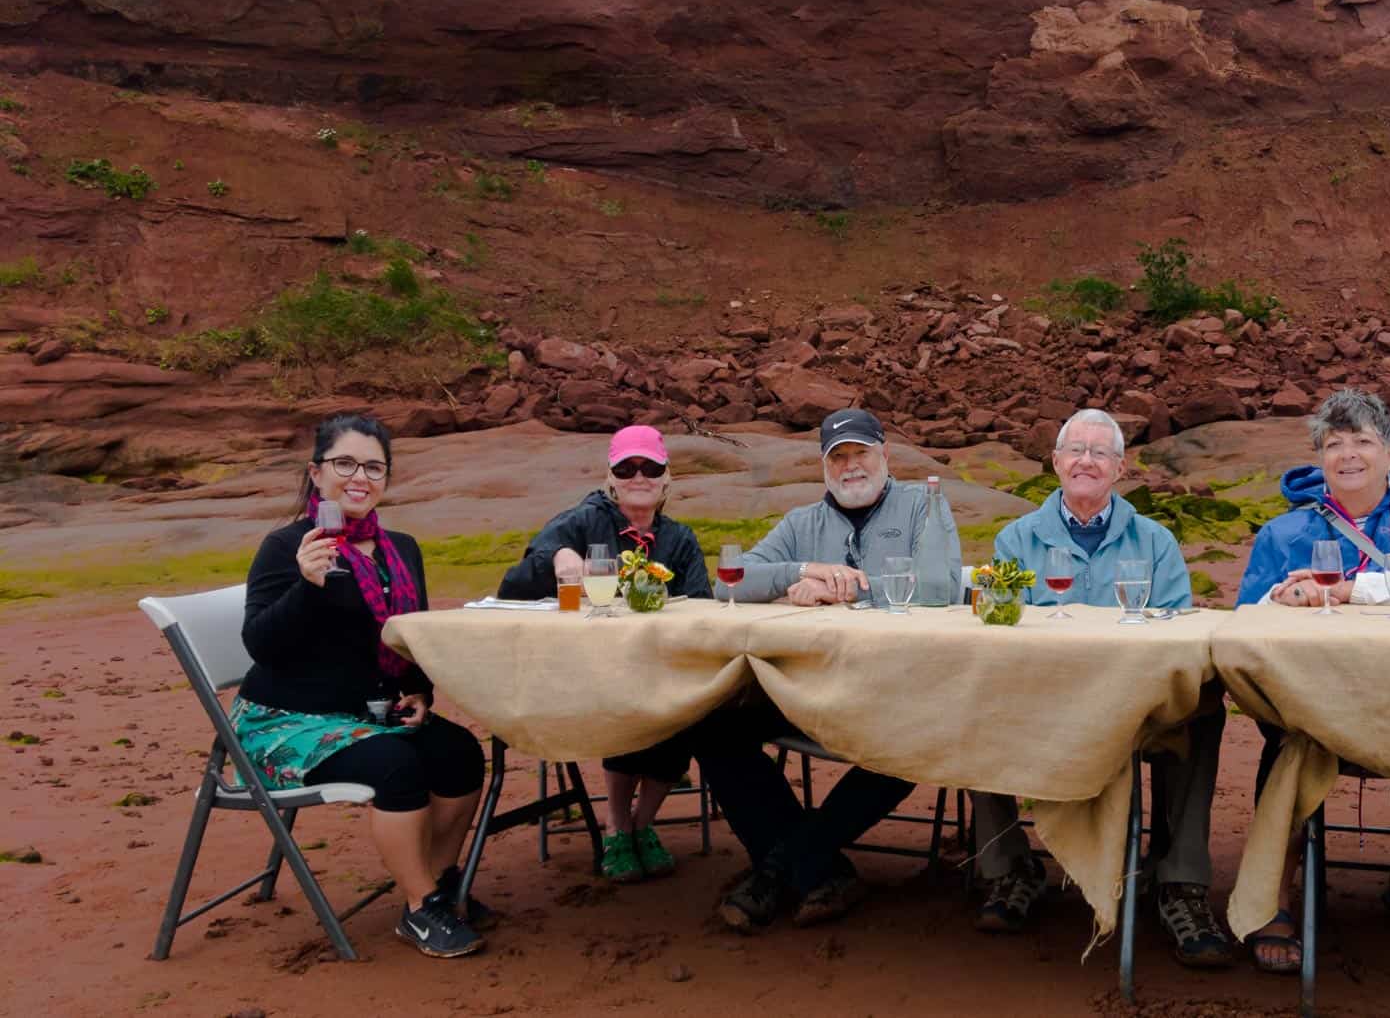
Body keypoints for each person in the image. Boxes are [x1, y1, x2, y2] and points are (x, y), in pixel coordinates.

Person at [972, 408, 1233, 968]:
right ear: (1057, 462)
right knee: (977, 706)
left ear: (1119, 469)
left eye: (1100, 453)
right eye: (1076, 450)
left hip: (1137, 706)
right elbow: (998, 627)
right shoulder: (1015, 539)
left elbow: (1176, 630)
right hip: (1041, 704)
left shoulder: (1156, 540)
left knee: (1203, 712)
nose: (1086, 461)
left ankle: (1178, 883)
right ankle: (1009, 869)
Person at [1237, 388, 1390, 971]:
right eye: (1334, 443)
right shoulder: (1285, 531)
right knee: (1285, 742)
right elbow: (1244, 623)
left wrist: (1345, 590)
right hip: (1313, 704)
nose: (1348, 454)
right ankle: (1278, 893)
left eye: (1363, 441)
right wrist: (1280, 596)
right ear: (1320, 457)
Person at [695, 407, 961, 932]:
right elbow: (728, 582)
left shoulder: (922, 508)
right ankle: (821, 868)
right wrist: (803, 571)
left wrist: (849, 589)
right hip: (804, 694)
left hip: (893, 695)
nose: (850, 466)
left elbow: (942, 590)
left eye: (860, 453)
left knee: (907, 746)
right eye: (837, 457)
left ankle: (779, 868)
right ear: (824, 467)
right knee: (713, 728)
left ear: (885, 455)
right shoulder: (801, 524)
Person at [238, 413, 489, 959]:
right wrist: (306, 587)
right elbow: (261, 644)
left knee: (461, 754)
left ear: (387, 477)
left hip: (366, 710)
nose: (359, 477)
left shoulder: (402, 548)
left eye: (374, 466)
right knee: (398, 768)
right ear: (316, 472)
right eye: (344, 463)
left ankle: (436, 884)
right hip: (288, 720)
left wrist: (420, 690)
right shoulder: (287, 547)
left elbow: (409, 633)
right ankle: (423, 909)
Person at [499, 424, 711, 883]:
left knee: (688, 707)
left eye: (650, 467)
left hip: (663, 668)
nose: (639, 476)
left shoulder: (679, 539)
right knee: (626, 703)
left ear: (666, 477)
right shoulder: (587, 519)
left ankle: (643, 823)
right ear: (610, 476)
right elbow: (523, 572)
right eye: (627, 467)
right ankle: (616, 824)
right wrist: (558, 559)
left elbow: (703, 605)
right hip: (590, 671)